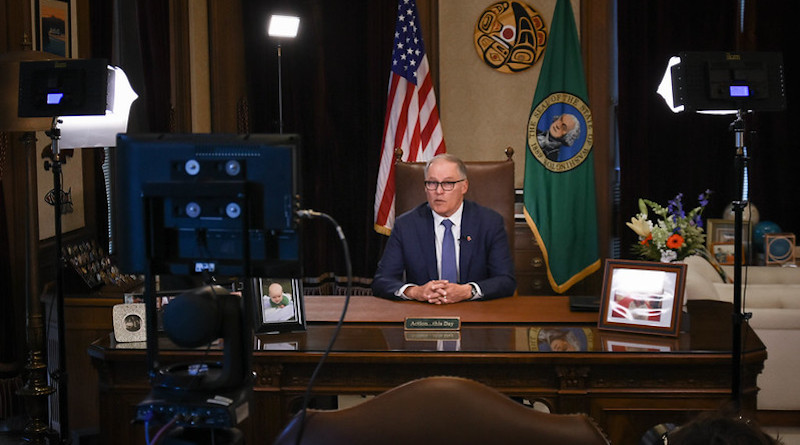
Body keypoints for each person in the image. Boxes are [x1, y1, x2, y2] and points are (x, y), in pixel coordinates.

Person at [372, 153, 516, 304]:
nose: (438, 191)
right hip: (424, 313)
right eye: (432, 183)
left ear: (464, 186)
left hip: (475, 312)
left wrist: (468, 291)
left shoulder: (489, 222)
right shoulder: (406, 225)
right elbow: (382, 281)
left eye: (448, 183)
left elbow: (506, 280)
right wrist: (416, 292)